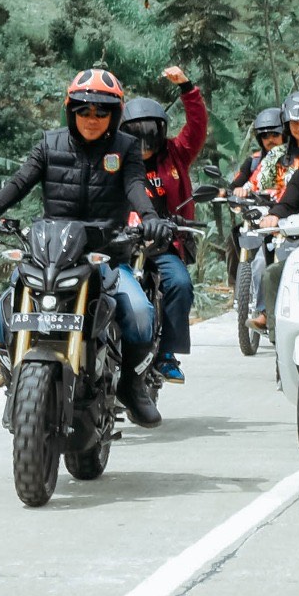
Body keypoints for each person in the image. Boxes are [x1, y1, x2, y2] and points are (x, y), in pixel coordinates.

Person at [0, 67, 167, 426]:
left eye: (101, 111)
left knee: (140, 312)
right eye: (83, 110)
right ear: (70, 110)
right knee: (4, 308)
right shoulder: (50, 144)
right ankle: (14, 383)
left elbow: (134, 185)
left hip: (106, 254)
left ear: (115, 115)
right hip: (51, 253)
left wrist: (150, 216)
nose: (92, 118)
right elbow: (20, 182)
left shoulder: (125, 148)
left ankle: (131, 385)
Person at [120, 65, 209, 383]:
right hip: (121, 242)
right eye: (137, 135)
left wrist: (187, 88)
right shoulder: (116, 159)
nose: (144, 143)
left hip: (164, 243)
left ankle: (167, 353)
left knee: (180, 284)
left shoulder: (176, 153)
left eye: (150, 134)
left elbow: (197, 127)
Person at [229, 107, 284, 198]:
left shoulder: (297, 160)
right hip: (259, 206)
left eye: (275, 134)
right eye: (265, 136)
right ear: (260, 139)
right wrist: (238, 191)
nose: (270, 140)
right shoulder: (253, 161)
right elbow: (233, 188)